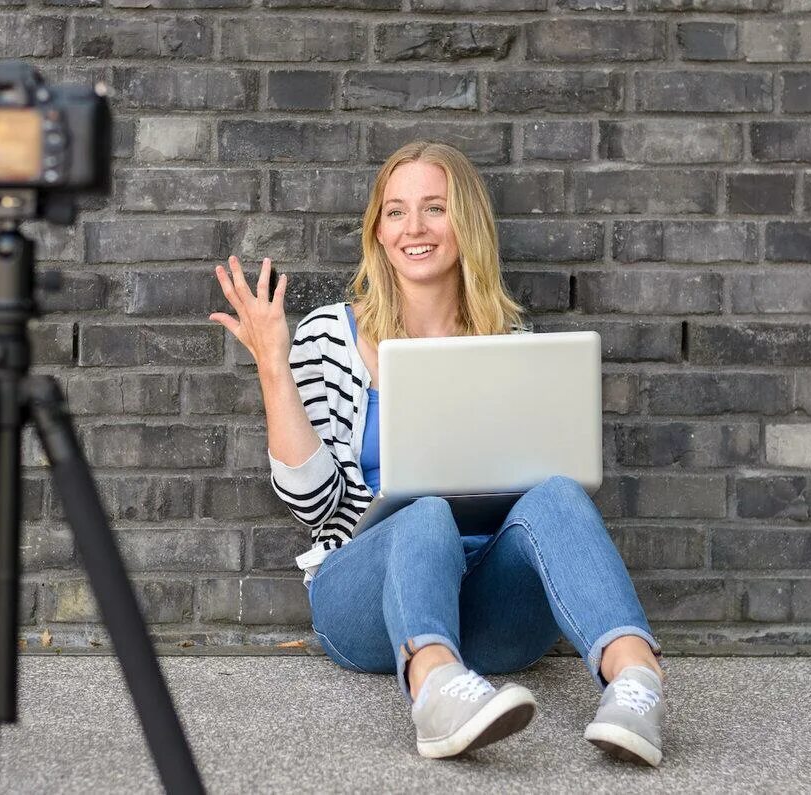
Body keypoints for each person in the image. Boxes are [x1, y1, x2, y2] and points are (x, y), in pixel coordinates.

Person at [209, 140, 668, 764]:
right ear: (377, 230)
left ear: (466, 224)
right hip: (367, 601)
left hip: (489, 604)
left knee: (558, 493)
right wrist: (272, 365)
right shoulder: (326, 336)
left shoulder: (511, 345)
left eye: (434, 208)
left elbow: (531, 498)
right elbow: (314, 506)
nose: (414, 229)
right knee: (422, 509)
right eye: (395, 212)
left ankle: (637, 686)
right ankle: (437, 691)